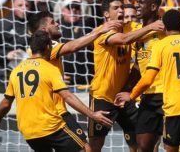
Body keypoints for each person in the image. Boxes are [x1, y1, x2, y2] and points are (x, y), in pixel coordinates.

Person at [115, 9, 180, 152]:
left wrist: (131, 95)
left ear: (164, 26)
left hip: (175, 105)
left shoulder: (161, 45)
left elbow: (147, 79)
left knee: (171, 148)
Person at [0, 30, 113, 152]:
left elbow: (6, 103)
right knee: (86, 149)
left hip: (29, 132)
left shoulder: (15, 71)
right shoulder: (50, 69)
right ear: (48, 46)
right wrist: (92, 115)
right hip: (51, 127)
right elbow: (67, 96)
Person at [27, 11, 122, 150]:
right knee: (85, 149)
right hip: (55, 114)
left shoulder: (33, 51)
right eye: (53, 22)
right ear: (44, 30)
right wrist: (99, 31)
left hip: (35, 119)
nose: (58, 23)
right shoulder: (45, 48)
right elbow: (73, 47)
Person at [88, 0, 164, 152]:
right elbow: (124, 39)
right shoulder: (101, 32)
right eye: (116, 8)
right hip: (103, 96)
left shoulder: (130, 27)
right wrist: (151, 27)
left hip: (124, 96)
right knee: (96, 144)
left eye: (121, 7)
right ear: (106, 14)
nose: (121, 10)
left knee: (141, 140)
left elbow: (151, 23)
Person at [129, 0, 166, 152]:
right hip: (148, 95)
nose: (137, 5)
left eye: (141, 2)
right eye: (137, 1)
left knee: (173, 145)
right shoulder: (138, 32)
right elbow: (137, 64)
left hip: (167, 93)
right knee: (143, 146)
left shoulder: (164, 30)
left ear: (153, 6)